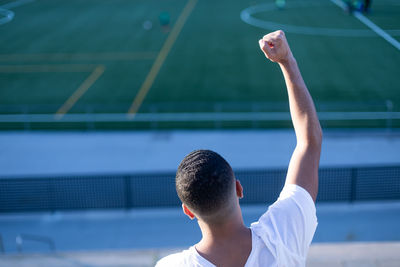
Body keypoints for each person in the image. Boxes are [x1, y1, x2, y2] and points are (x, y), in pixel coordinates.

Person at [156, 30, 322, 267]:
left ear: (188, 211)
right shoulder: (284, 235)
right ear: (238, 188)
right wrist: (286, 61)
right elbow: (309, 141)